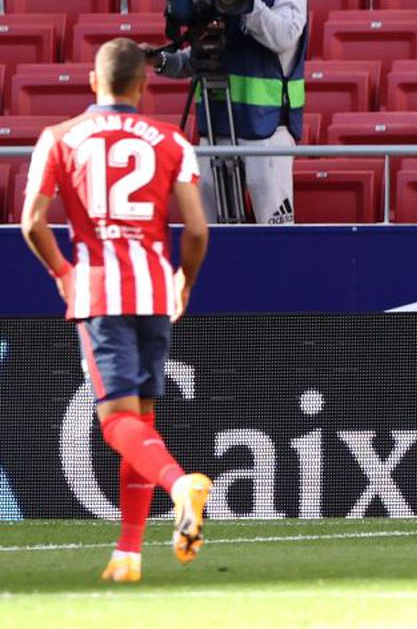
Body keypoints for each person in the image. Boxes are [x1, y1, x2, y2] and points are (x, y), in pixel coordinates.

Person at [21, 38, 213, 582]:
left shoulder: (58, 138)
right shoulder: (171, 139)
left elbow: (32, 222)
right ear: (144, 86)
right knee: (142, 420)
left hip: (102, 290)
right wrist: (185, 282)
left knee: (115, 424)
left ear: (91, 82)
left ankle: (178, 485)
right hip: (155, 288)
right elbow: (197, 229)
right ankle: (128, 553)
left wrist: (64, 274)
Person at [149, 0, 309, 225]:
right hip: (215, 128)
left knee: (274, 231)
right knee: (210, 231)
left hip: (267, 130)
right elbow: (199, 59)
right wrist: (160, 60)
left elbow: (283, 37)